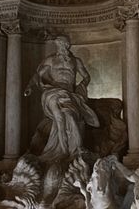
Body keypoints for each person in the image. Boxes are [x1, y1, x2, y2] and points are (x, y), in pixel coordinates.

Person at [24, 35, 99, 163]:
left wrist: (81, 87)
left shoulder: (76, 61)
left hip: (69, 94)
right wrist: (29, 86)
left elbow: (86, 77)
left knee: (69, 115)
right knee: (58, 117)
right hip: (52, 92)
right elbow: (38, 75)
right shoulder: (51, 60)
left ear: (66, 45)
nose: (59, 47)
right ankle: (63, 150)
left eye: (60, 44)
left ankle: (75, 148)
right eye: (57, 45)